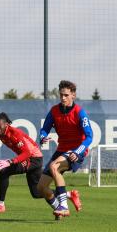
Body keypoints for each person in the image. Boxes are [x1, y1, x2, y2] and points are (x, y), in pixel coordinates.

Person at [37, 80, 93, 218]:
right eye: (61, 95)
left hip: (77, 150)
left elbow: (89, 136)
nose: (63, 98)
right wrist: (43, 136)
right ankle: (59, 208)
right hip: (62, 150)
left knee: (54, 166)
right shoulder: (54, 111)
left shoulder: (80, 113)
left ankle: (64, 207)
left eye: (66, 95)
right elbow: (44, 129)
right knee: (41, 187)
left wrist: (77, 151)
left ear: (73, 95)